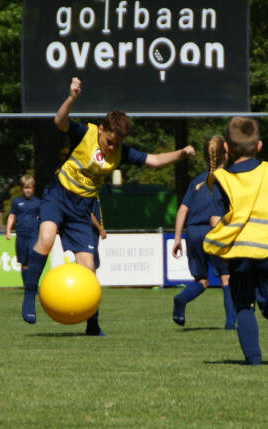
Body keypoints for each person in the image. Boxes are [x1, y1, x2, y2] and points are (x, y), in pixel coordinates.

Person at [21, 77, 195, 335]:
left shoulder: (121, 152)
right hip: (58, 195)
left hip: (83, 208)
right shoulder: (86, 133)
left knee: (88, 267)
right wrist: (71, 97)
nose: (112, 147)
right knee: (45, 239)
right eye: (109, 141)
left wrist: (180, 154)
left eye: (117, 144)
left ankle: (92, 323)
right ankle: (29, 295)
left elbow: (155, 160)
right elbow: (59, 121)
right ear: (102, 129)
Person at [203, 117, 268, 365]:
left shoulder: (221, 177)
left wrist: (218, 247)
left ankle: (254, 358)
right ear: (259, 146)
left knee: (243, 304)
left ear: (226, 148)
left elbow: (215, 220)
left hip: (238, 250)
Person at [171, 135, 236, 330]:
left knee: (202, 280)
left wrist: (177, 238)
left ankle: (182, 299)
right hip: (213, 230)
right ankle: (231, 323)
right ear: (226, 154)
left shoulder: (197, 181)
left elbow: (182, 210)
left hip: (192, 232)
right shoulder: (228, 180)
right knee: (226, 278)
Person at [5, 175, 41, 287]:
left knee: (33, 258)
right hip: (21, 235)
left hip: (34, 234)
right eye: (25, 188)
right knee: (24, 263)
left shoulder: (38, 202)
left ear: (33, 188)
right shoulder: (17, 202)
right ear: (22, 188)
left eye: (30, 187)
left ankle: (33, 284)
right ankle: (27, 286)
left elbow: (41, 217)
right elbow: (12, 216)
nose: (28, 190)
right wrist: (8, 230)